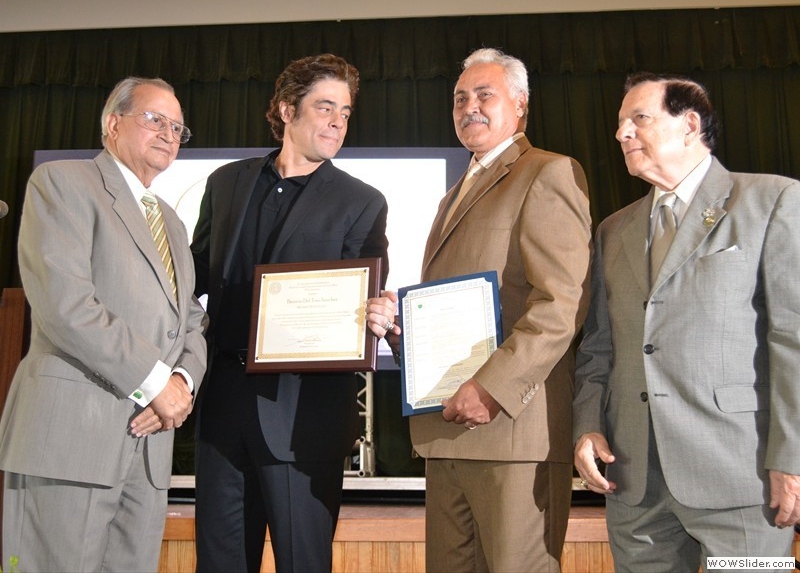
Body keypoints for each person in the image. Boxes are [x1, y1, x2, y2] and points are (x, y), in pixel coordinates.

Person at [368, 47, 592, 572]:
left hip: (513, 433)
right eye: (459, 98)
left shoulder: (548, 173)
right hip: (446, 434)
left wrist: (491, 387)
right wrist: (403, 334)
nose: (469, 106)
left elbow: (561, 304)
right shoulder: (451, 196)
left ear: (520, 104)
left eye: (484, 95)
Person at [573, 72, 800, 571]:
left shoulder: (772, 201)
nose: (621, 133)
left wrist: (793, 460)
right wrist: (587, 427)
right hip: (634, 484)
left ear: (690, 125)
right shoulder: (613, 230)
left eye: (639, 118)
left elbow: (793, 340)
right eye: (620, 124)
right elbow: (597, 347)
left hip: (741, 478)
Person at [191, 53, 389, 573]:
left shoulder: (361, 201)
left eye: (345, 112)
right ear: (286, 110)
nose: (337, 122)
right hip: (222, 405)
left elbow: (365, 292)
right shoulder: (226, 183)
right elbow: (194, 274)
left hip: (304, 416)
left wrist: (378, 311)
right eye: (325, 107)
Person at [0, 77, 207, 572]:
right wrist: (156, 382)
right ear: (113, 123)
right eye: (155, 119)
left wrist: (181, 382)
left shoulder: (172, 222)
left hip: (149, 446)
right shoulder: (62, 182)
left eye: (177, 127)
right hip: (72, 436)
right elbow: (66, 305)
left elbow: (192, 319)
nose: (169, 134)